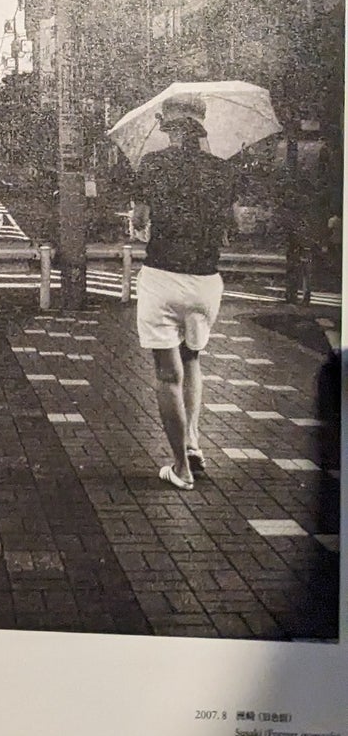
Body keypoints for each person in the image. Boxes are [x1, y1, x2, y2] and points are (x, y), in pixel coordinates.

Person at [129, 94, 239, 490]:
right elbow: (230, 226)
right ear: (202, 127)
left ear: (167, 128)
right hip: (206, 282)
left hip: (162, 277)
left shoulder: (153, 165)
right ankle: (193, 443)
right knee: (193, 360)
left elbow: (141, 222)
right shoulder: (222, 171)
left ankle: (180, 468)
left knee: (166, 376)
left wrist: (142, 222)